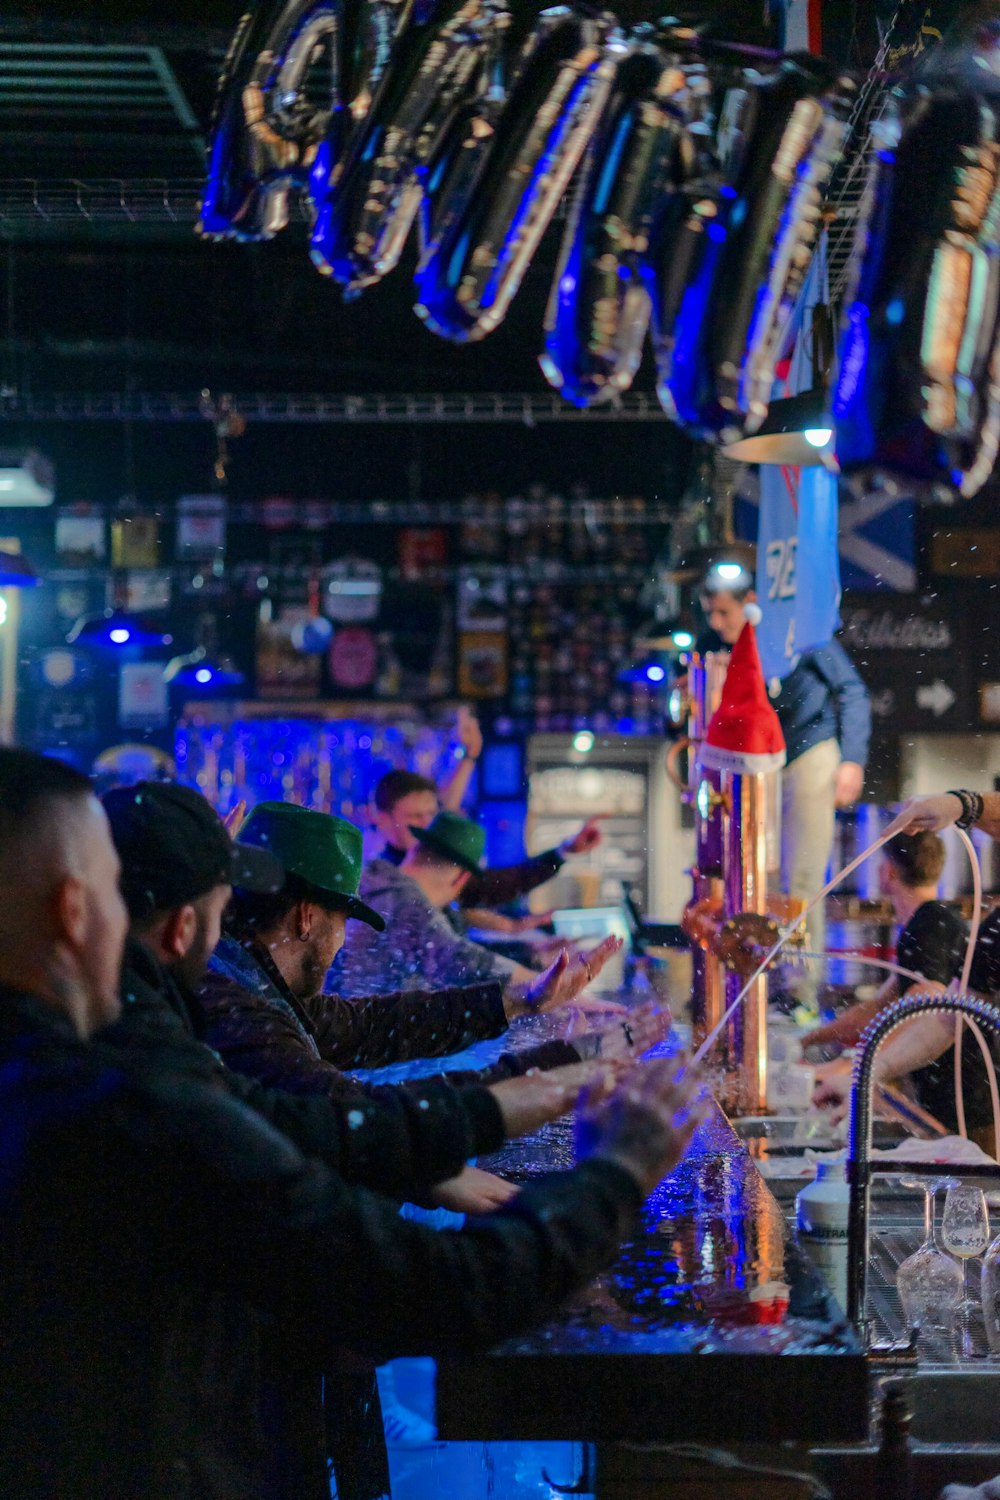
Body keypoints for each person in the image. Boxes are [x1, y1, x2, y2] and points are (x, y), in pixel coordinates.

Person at [0, 746, 705, 1500]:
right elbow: (434, 1287)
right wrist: (617, 1170)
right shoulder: (131, 1096)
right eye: (116, 890)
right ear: (76, 911)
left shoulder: (84, 1067)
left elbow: (331, 1079)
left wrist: (515, 1079)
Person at [697, 565, 871, 1008]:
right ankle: (766, 986)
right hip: (762, 768)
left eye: (723, 612)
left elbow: (852, 690)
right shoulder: (720, 648)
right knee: (759, 876)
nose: (716, 623)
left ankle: (801, 994)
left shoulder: (798, 632)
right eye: (710, 614)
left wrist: (852, 759)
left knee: (803, 877)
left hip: (810, 753)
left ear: (751, 601)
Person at [805, 832, 998, 1139]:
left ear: (888, 871)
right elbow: (881, 1010)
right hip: (954, 1103)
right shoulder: (936, 923)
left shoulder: (928, 923)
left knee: (973, 1182)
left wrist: (852, 1068)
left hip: (968, 1108)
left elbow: (927, 1000)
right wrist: (810, 1041)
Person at [334, 808, 621, 999]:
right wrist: (551, 985)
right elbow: (464, 961)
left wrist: (531, 957)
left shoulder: (372, 876)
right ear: (462, 879)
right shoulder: (408, 905)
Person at [371, 765, 605, 926]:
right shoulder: (380, 882)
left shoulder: (441, 865)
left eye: (431, 814)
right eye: (414, 816)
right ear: (382, 818)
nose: (426, 824)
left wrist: (564, 852)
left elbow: (496, 886)